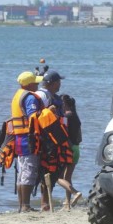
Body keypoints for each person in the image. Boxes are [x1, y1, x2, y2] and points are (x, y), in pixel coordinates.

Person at [36, 71, 82, 211]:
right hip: (73, 147)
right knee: (64, 175)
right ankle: (66, 203)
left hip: (61, 145)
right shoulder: (73, 116)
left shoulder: (62, 112)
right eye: (58, 82)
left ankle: (71, 195)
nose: (60, 84)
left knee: (54, 176)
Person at [11, 71, 43, 212]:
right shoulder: (30, 98)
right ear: (29, 84)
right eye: (36, 82)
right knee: (29, 171)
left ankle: (21, 205)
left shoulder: (18, 94)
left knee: (22, 171)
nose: (38, 84)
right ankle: (26, 206)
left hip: (19, 138)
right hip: (27, 138)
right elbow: (33, 117)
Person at [60, 94, 82, 211]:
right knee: (68, 177)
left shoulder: (65, 116)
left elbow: (62, 132)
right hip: (77, 149)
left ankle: (75, 192)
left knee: (58, 177)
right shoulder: (76, 117)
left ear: (64, 104)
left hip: (68, 149)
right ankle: (67, 204)